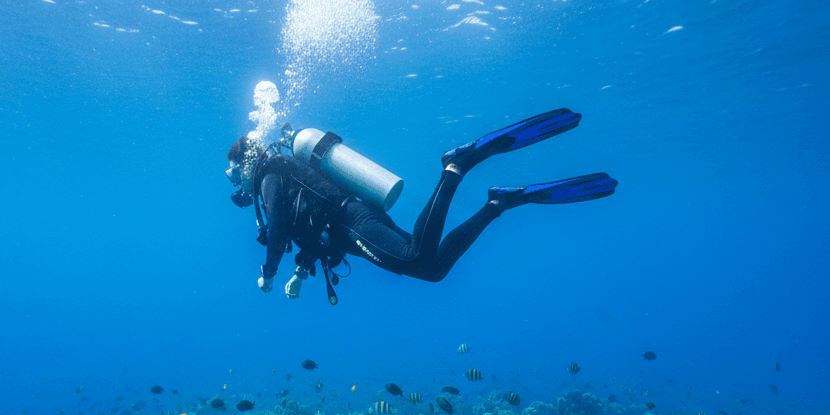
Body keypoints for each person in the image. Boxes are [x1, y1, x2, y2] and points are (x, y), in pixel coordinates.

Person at [225, 109, 617, 302]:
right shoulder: (282, 171)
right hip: (355, 220)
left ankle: (455, 166)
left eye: (233, 171)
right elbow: (308, 224)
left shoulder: (270, 175)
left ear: (246, 162)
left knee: (415, 256)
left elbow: (279, 228)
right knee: (432, 270)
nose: (236, 180)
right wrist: (300, 272)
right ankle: (497, 204)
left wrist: (270, 274)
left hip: (352, 223)